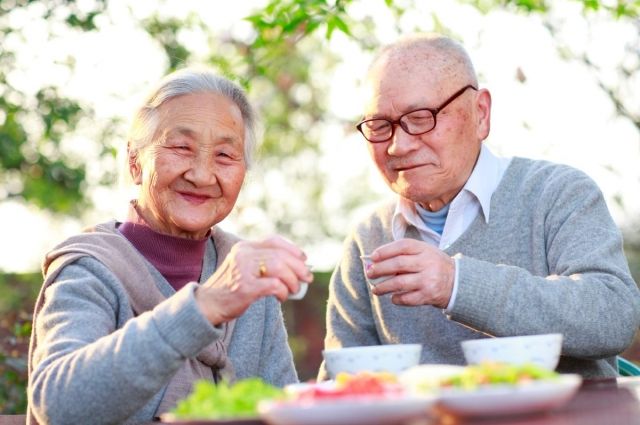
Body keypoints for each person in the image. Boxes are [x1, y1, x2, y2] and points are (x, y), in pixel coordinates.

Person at [319, 33, 640, 380]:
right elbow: (343, 385)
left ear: (480, 113)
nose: (398, 146)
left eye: (421, 117)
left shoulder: (558, 193)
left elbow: (613, 316)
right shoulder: (369, 237)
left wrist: (456, 284)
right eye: (380, 126)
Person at [27, 67, 313, 425]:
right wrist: (205, 305)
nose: (202, 175)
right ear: (135, 162)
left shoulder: (248, 273)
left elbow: (283, 409)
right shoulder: (90, 269)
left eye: (224, 156)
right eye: (181, 147)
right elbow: (59, 408)